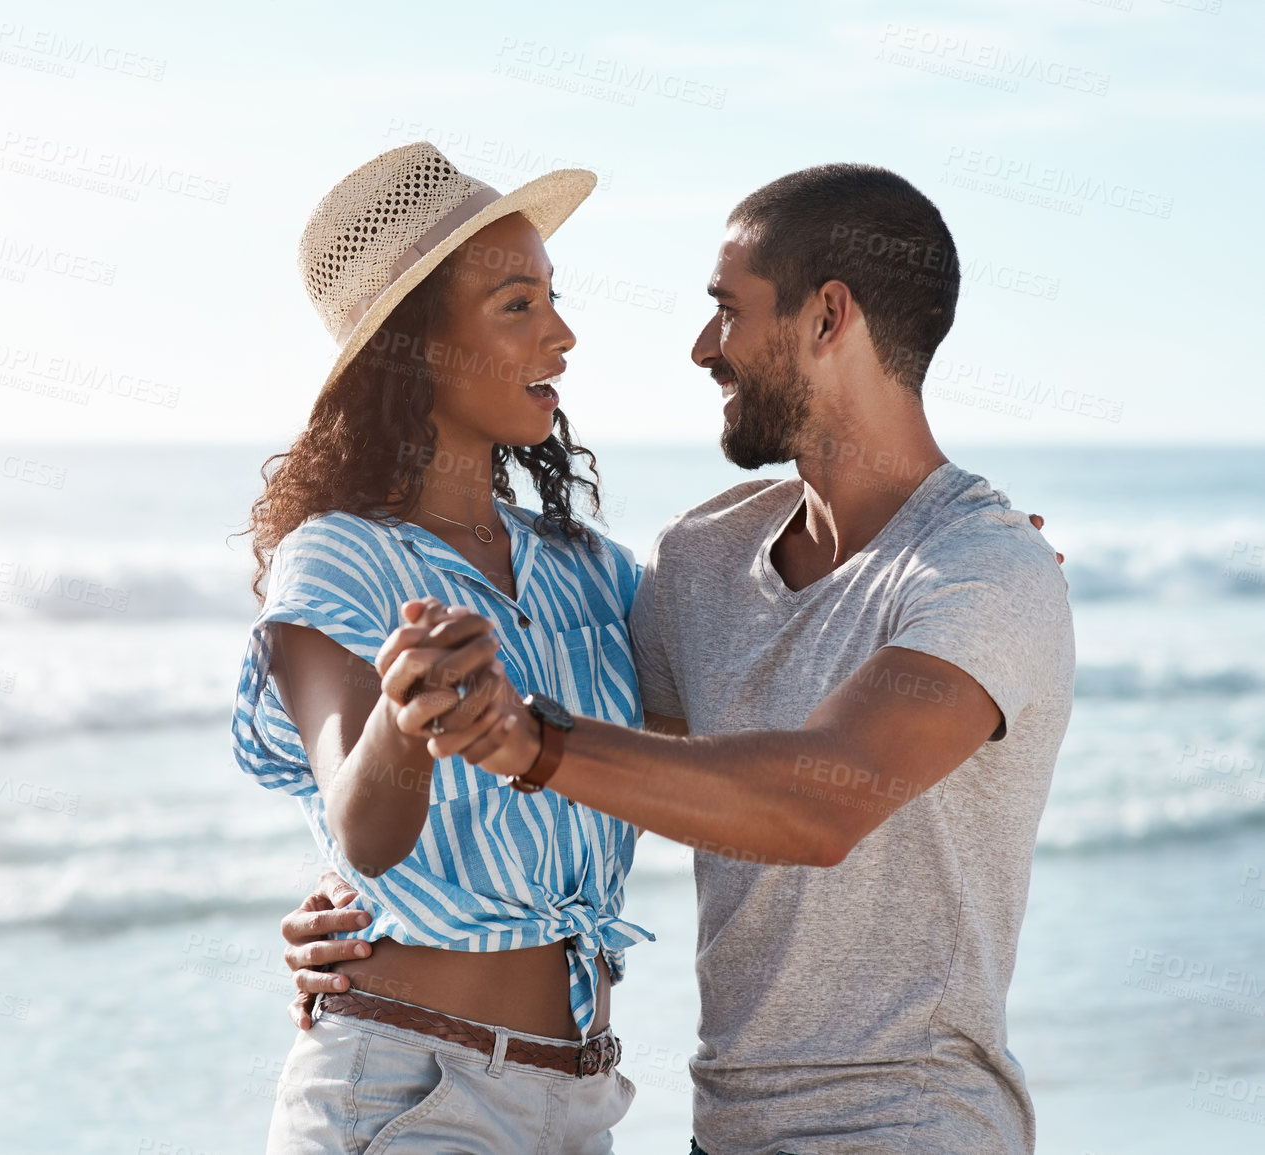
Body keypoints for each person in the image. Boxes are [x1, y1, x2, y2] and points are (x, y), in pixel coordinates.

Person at [283, 164, 1076, 1155]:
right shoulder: (700, 559)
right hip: (721, 1129)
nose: (704, 349)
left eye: (726, 311)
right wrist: (363, 917)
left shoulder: (984, 570)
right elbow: (618, 764)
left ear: (829, 317)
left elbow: (817, 803)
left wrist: (532, 743)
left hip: (906, 1125)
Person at [233, 141, 654, 1153]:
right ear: (415, 347)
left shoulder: (590, 569)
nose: (561, 333)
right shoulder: (336, 562)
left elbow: (738, 728)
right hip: (409, 1089)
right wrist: (408, 714)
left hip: (581, 1098)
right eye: (516, 306)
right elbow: (364, 830)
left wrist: (939, 554)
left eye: (550, 297)